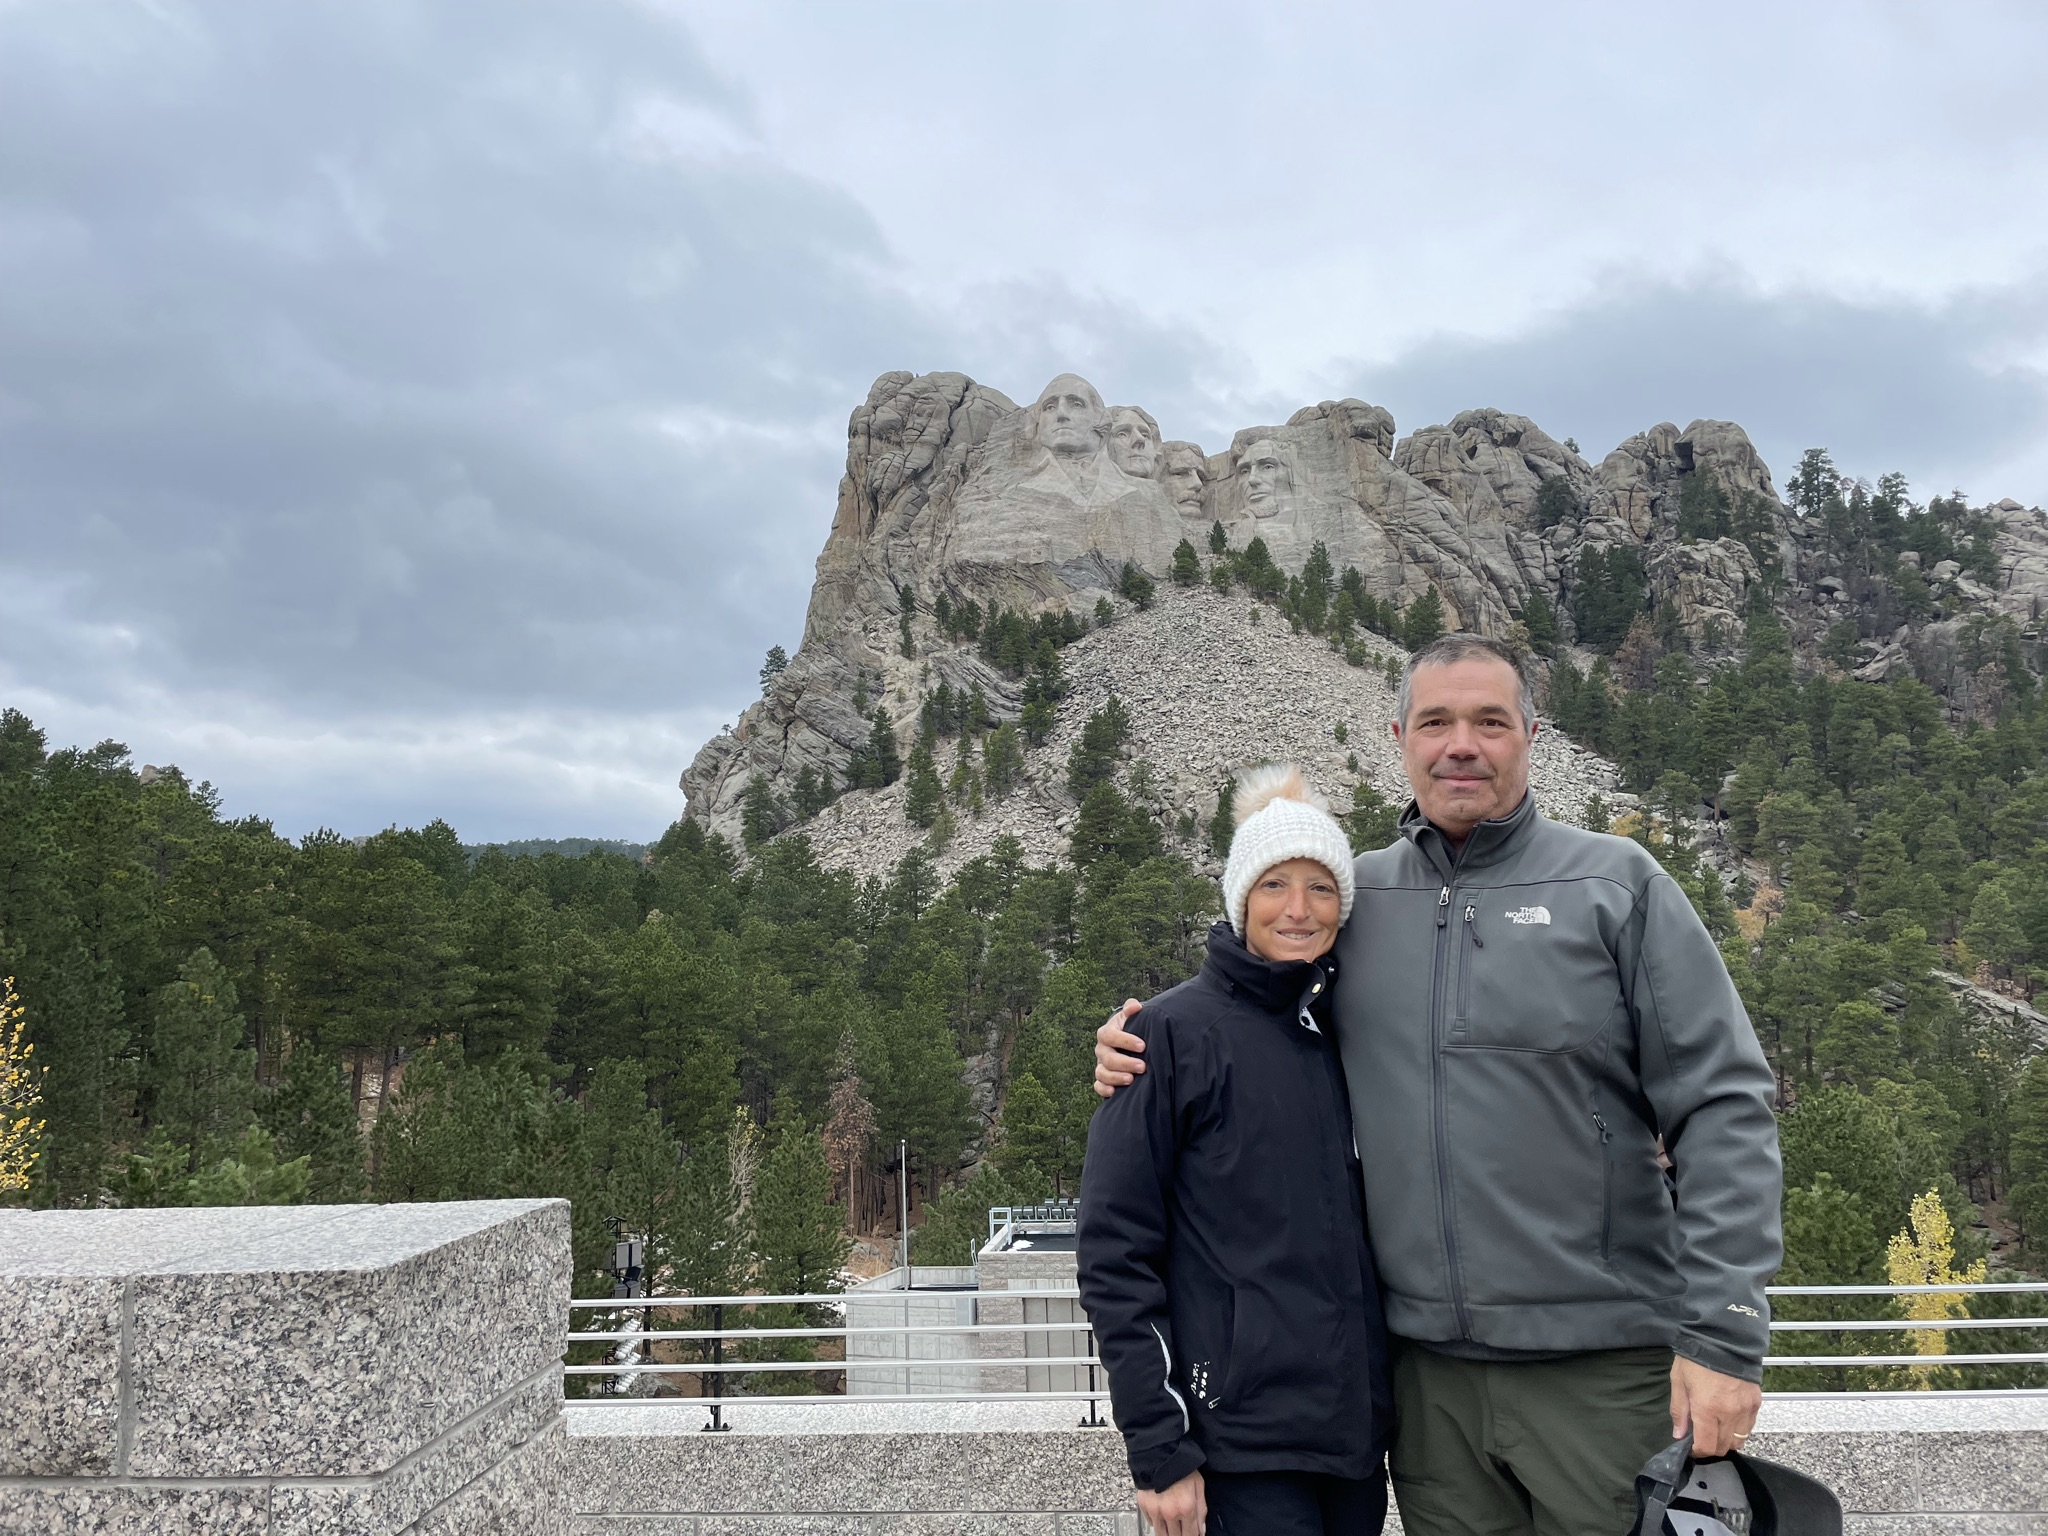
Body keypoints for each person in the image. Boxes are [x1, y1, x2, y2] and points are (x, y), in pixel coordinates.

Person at [1095, 633, 1782, 1536]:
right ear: (1401, 737)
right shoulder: (1356, 900)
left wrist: (1726, 1331)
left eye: (1490, 721)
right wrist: (1133, 1049)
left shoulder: (1616, 886)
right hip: (1424, 1393)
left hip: (1602, 1370)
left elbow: (1722, 1105)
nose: (1462, 743)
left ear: (1531, 734)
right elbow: (1245, 1009)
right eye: (1437, 722)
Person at [1079, 765, 1393, 1536]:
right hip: (1236, 1447)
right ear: (1239, 899)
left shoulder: (1350, 1035)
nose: (1298, 909)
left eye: (1321, 888)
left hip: (1352, 1451)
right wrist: (1159, 1446)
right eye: (1274, 885)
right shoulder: (1167, 1035)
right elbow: (1114, 1253)